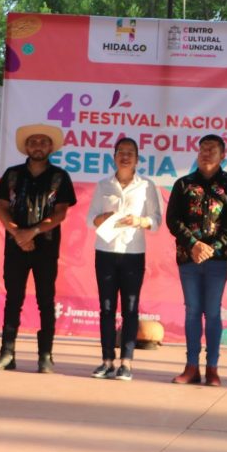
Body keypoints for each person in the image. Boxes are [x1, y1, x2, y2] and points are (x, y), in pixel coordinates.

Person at [0, 123, 77, 374]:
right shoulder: (12, 174)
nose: (38, 146)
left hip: (46, 247)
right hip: (15, 245)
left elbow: (60, 213)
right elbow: (2, 207)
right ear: (26, 147)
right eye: (33, 142)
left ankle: (45, 355)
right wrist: (18, 233)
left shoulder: (60, 177)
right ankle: (7, 353)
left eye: (43, 142)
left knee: (45, 300)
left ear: (51, 147)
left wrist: (33, 232)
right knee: (13, 299)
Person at [166, 134, 227, 387]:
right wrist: (194, 245)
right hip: (189, 257)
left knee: (212, 312)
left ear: (223, 155)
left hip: (218, 259)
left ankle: (212, 368)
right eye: (202, 149)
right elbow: (173, 220)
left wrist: (213, 248)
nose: (206, 153)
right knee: (192, 312)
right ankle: (191, 366)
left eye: (212, 149)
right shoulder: (183, 184)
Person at [87, 137, 163, 381]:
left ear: (137, 159)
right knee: (107, 308)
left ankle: (126, 363)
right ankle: (107, 361)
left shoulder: (146, 186)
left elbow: (156, 220)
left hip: (133, 253)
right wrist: (102, 217)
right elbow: (90, 219)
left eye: (130, 153)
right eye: (121, 152)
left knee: (130, 309)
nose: (125, 156)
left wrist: (139, 221)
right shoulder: (103, 185)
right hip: (105, 252)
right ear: (114, 157)